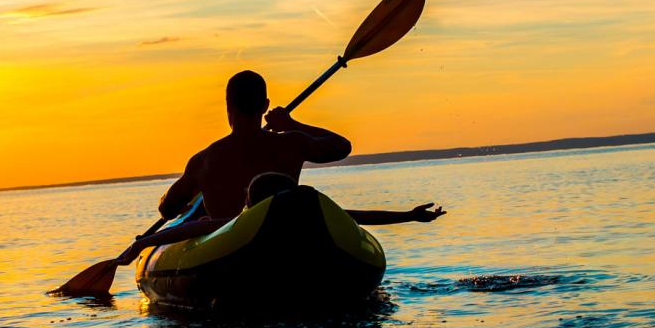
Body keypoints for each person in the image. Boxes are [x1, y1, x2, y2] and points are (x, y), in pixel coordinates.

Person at [115, 172, 445, 264]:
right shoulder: (309, 218)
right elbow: (359, 216)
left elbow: (179, 232)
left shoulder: (240, 224)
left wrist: (141, 245)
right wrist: (409, 216)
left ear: (251, 204)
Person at [157, 70, 353, 222]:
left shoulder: (204, 161)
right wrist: (291, 124)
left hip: (227, 249)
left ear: (228, 106)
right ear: (265, 106)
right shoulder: (291, 143)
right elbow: (342, 146)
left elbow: (167, 209)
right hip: (281, 233)